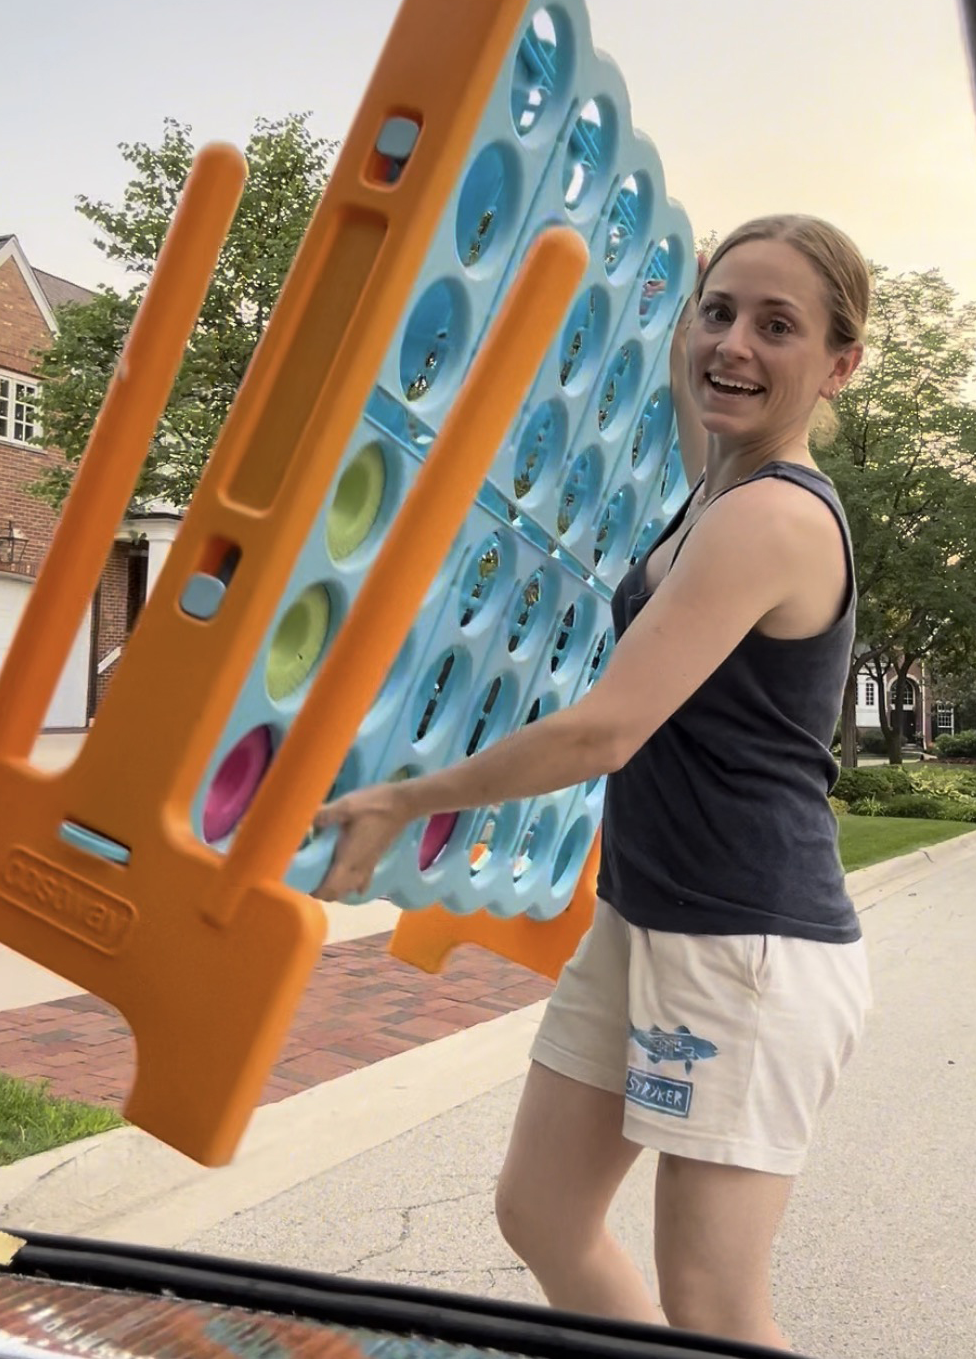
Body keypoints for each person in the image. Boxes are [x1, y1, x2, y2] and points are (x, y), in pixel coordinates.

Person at [314, 213, 873, 1351]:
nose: (736, 346)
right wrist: (678, 301)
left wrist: (404, 798)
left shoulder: (771, 515)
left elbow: (603, 732)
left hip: (743, 945)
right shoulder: (719, 483)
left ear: (840, 364)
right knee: (544, 1211)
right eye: (721, 312)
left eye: (780, 326)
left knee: (713, 1305)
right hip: (646, 919)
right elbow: (697, 381)